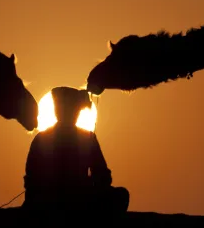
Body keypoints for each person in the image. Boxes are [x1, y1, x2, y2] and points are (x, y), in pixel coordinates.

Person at [21, 86, 129, 217]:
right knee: (120, 195)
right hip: (77, 201)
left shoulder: (41, 139)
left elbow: (30, 178)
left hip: (50, 200)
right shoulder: (87, 138)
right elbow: (103, 176)